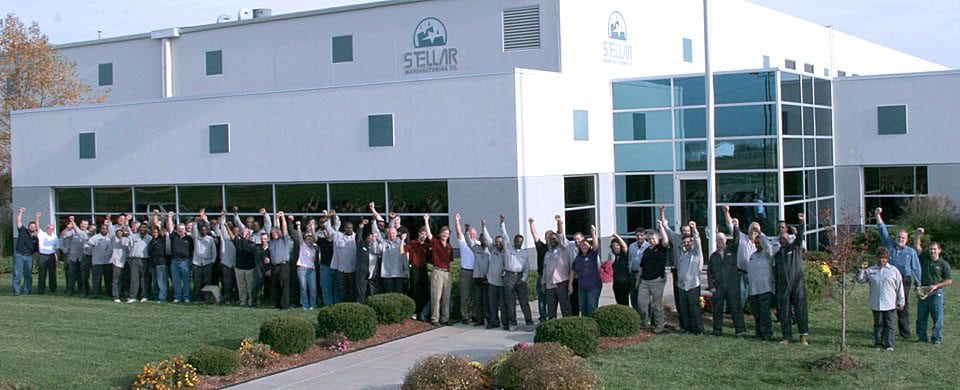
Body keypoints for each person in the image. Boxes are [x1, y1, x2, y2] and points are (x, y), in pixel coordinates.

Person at [875, 207, 922, 339]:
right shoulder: (889, 246)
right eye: (898, 237)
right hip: (889, 280)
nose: (900, 239)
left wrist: (918, 284)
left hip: (904, 280)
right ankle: (886, 330)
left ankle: (905, 333)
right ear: (895, 238)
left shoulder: (910, 252)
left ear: (906, 239)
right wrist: (877, 215)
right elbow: (882, 230)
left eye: (903, 238)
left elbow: (916, 268)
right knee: (887, 305)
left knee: (903, 305)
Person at [857, 247, 905, 351]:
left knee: (889, 325)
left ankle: (889, 344)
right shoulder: (871, 270)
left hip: (890, 303)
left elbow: (900, 287)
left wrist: (901, 301)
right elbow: (860, 280)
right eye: (879, 257)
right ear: (876, 257)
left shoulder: (893, 271)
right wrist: (863, 270)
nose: (881, 260)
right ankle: (878, 343)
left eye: (884, 258)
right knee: (878, 325)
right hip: (876, 303)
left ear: (887, 258)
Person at [914, 228, 953, 345]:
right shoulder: (924, 258)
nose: (932, 251)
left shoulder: (943, 264)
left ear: (939, 251)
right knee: (921, 318)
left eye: (934, 249)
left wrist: (936, 286)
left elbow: (949, 280)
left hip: (936, 294)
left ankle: (936, 338)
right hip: (923, 293)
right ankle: (922, 337)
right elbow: (917, 247)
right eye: (931, 249)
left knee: (938, 318)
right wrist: (918, 235)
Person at [664, 220, 704, 334]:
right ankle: (687, 328)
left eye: (688, 242)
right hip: (682, 286)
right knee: (684, 308)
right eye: (685, 242)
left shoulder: (696, 253)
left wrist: (695, 230)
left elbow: (697, 241)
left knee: (694, 308)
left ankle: (698, 329)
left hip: (693, 285)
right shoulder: (682, 255)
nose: (687, 244)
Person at [775, 213, 809, 345]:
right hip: (783, 286)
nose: (782, 240)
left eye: (784, 238)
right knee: (784, 311)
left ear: (788, 237)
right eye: (780, 239)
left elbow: (800, 237)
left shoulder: (795, 247)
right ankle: (787, 336)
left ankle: (803, 336)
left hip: (797, 283)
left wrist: (802, 223)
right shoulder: (778, 255)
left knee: (801, 309)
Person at [707, 228, 746, 337]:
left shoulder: (732, 251)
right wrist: (711, 286)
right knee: (717, 309)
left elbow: (737, 240)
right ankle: (717, 331)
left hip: (732, 286)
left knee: (735, 308)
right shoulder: (713, 256)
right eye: (718, 240)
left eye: (722, 239)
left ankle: (740, 331)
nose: (720, 242)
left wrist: (736, 228)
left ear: (726, 240)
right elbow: (709, 272)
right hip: (718, 286)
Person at [500, 215, 534, 330]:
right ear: (514, 241)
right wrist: (502, 223)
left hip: (520, 277)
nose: (518, 243)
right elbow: (504, 236)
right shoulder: (508, 248)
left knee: (524, 301)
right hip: (509, 276)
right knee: (510, 302)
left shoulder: (524, 254)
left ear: (522, 242)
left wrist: (523, 279)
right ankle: (513, 323)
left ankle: (529, 322)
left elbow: (526, 268)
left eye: (520, 242)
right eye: (516, 241)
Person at [637, 222, 670, 333]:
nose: (652, 240)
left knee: (657, 305)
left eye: (654, 238)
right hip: (644, 281)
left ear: (658, 238)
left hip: (657, 281)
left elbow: (666, 241)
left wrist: (661, 227)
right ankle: (645, 323)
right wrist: (638, 280)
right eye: (650, 239)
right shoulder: (646, 250)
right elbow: (641, 266)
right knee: (641, 303)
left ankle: (659, 326)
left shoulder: (661, 248)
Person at [540, 216, 574, 319]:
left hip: (562, 283)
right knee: (551, 309)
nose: (552, 240)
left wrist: (559, 222)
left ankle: (567, 325)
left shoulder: (563, 248)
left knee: (565, 307)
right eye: (550, 239)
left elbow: (560, 233)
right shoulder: (547, 253)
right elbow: (545, 269)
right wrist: (543, 282)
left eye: (554, 238)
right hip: (550, 284)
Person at [425, 214, 455, 326]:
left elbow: (451, 261)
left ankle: (445, 318)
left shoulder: (450, 247)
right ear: (440, 233)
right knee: (436, 296)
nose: (445, 235)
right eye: (444, 233)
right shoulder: (435, 243)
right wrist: (426, 221)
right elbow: (429, 234)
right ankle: (435, 319)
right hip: (437, 272)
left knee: (446, 297)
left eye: (447, 234)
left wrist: (451, 272)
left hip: (447, 273)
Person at [326, 210, 357, 304]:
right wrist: (332, 217)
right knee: (341, 289)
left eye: (350, 228)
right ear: (344, 228)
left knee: (352, 289)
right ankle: (343, 304)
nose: (349, 229)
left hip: (352, 269)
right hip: (341, 269)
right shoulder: (338, 236)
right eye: (347, 228)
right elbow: (330, 229)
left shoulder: (356, 237)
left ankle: (352, 305)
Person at [570, 225, 602, 316]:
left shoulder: (593, 254)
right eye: (582, 245)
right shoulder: (578, 258)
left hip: (593, 286)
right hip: (582, 287)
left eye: (585, 244)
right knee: (583, 307)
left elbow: (596, 245)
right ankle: (586, 326)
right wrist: (570, 284)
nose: (583, 246)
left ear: (589, 246)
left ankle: (593, 325)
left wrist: (593, 232)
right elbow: (573, 271)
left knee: (592, 306)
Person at [406, 225, 433, 321]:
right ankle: (414, 311)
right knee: (414, 290)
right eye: (423, 234)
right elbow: (405, 252)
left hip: (423, 269)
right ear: (419, 233)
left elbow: (430, 257)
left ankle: (422, 312)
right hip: (414, 269)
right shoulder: (412, 243)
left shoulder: (426, 246)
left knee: (424, 290)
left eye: (426, 234)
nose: (424, 236)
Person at [166, 211, 195, 303]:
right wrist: (169, 217)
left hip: (185, 262)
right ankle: (177, 297)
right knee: (176, 281)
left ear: (185, 230)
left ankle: (186, 297)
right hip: (174, 262)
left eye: (182, 229)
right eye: (178, 229)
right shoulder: (174, 236)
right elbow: (170, 227)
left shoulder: (189, 238)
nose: (180, 230)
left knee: (186, 281)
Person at [454, 214, 477, 325]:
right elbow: (459, 233)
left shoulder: (478, 244)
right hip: (465, 271)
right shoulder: (463, 242)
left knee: (473, 294)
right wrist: (457, 221)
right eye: (470, 233)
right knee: (465, 294)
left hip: (476, 272)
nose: (472, 235)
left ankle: (473, 314)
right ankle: (465, 315)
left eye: (474, 234)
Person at [12, 208, 40, 296]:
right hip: (19, 255)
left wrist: (37, 218)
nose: (32, 227)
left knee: (28, 275)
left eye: (33, 226)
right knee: (17, 274)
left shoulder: (36, 238)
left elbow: (37, 250)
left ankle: (26, 292)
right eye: (30, 226)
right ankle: (16, 292)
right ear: (28, 227)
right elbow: (18, 221)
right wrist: (21, 212)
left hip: (29, 257)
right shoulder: (23, 231)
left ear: (35, 228)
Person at [268, 211, 293, 309]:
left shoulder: (284, 240)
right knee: (276, 285)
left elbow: (284, 229)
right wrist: (276, 219)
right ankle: (277, 304)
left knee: (284, 285)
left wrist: (282, 218)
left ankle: (285, 305)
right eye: (272, 232)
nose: (274, 234)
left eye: (275, 232)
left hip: (284, 265)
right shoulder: (271, 243)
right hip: (274, 266)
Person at [191, 210, 217, 303]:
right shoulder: (196, 238)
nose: (203, 232)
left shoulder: (210, 239)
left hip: (208, 262)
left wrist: (212, 261)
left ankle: (207, 298)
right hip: (197, 263)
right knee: (197, 282)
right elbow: (194, 230)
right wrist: (196, 221)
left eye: (205, 230)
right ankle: (197, 298)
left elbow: (214, 251)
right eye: (202, 230)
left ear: (207, 230)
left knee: (207, 281)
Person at [61, 216, 90, 296]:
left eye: (85, 224)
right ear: (80, 224)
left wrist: (73, 221)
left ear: (87, 226)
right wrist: (67, 228)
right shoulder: (73, 232)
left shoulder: (88, 233)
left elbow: (80, 233)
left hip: (83, 257)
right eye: (82, 224)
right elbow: (63, 235)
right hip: (73, 257)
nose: (83, 226)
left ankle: (83, 291)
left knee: (83, 276)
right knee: (71, 275)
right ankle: (70, 291)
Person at [293, 219, 319, 310]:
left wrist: (312, 229)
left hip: (311, 269)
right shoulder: (302, 245)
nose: (309, 239)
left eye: (310, 238)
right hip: (302, 269)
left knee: (313, 288)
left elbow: (315, 237)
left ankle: (313, 304)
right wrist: (299, 227)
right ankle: (305, 304)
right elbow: (299, 236)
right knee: (303, 287)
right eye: (307, 238)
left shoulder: (314, 247)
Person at [528, 218, 550, 323]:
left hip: (553, 278)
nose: (549, 240)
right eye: (547, 237)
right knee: (542, 300)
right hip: (541, 277)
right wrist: (531, 223)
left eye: (551, 238)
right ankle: (542, 318)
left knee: (552, 300)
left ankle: (551, 317)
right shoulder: (541, 247)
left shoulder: (558, 249)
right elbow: (535, 235)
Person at [87, 219, 114, 300]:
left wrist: (109, 221)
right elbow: (88, 247)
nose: (104, 230)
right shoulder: (95, 238)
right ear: (100, 229)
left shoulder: (110, 237)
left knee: (108, 279)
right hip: (97, 262)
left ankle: (109, 293)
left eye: (106, 228)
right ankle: (96, 293)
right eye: (102, 228)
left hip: (108, 262)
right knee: (96, 279)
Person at [217, 212, 239, 304]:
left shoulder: (240, 241)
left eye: (238, 231)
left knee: (237, 283)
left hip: (237, 264)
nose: (236, 232)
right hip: (227, 264)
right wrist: (223, 217)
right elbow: (222, 228)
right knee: (227, 283)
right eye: (235, 231)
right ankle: (227, 299)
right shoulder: (227, 239)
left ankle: (237, 298)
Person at [127, 220, 152, 302]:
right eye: (141, 227)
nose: (143, 229)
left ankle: (144, 295)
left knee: (144, 278)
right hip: (134, 259)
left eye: (145, 228)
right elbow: (129, 248)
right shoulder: (133, 237)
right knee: (134, 279)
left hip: (145, 260)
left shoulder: (149, 238)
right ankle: (132, 296)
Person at [147, 212, 169, 303]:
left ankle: (162, 297)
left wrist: (162, 219)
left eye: (156, 232)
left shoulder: (162, 239)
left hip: (161, 263)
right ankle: (156, 296)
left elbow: (161, 229)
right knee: (155, 282)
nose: (155, 233)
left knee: (161, 282)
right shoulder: (152, 241)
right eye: (153, 232)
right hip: (153, 263)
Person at [109, 226, 132, 303]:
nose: (120, 234)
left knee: (126, 280)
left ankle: (127, 295)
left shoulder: (126, 240)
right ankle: (115, 296)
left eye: (121, 232)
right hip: (117, 263)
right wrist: (109, 221)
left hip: (126, 262)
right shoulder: (114, 240)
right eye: (118, 233)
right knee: (116, 280)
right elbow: (111, 231)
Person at [36, 220, 59, 294]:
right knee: (42, 274)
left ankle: (53, 289)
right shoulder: (42, 234)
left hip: (51, 256)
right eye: (49, 228)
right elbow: (37, 226)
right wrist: (38, 218)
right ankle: (41, 290)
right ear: (47, 228)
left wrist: (57, 259)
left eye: (52, 229)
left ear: (53, 230)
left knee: (52, 274)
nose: (50, 230)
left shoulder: (55, 237)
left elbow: (57, 248)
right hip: (42, 255)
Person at [610, 233, 632, 306]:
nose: (616, 247)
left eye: (617, 245)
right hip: (616, 283)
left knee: (624, 302)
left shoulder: (624, 255)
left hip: (624, 283)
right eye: (614, 246)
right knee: (618, 302)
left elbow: (625, 246)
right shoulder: (616, 257)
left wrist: (617, 236)